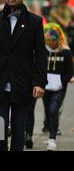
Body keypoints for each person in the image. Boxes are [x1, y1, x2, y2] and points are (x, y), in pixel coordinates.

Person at [0, 0, 47, 151]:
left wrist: (40, 82)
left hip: (23, 84)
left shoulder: (34, 21)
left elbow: (41, 53)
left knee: (19, 130)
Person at [41, 23, 73, 151]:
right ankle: (50, 131)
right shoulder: (43, 51)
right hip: (46, 86)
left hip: (59, 86)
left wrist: (62, 82)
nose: (48, 43)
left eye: (50, 41)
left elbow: (70, 71)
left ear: (56, 41)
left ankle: (52, 140)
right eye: (46, 41)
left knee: (54, 110)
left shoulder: (65, 52)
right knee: (48, 111)